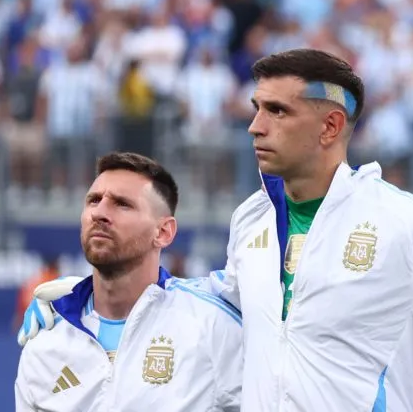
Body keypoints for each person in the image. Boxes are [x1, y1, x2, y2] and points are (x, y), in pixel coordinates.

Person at [19, 49, 413, 411]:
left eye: (277, 112)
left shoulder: (409, 223)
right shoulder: (252, 220)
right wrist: (85, 305)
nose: (254, 127)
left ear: (330, 126)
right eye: (257, 108)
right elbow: (219, 297)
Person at [15, 152, 242, 411]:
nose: (99, 213)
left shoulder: (211, 325)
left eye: (122, 204)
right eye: (93, 200)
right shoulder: (45, 341)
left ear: (163, 232)